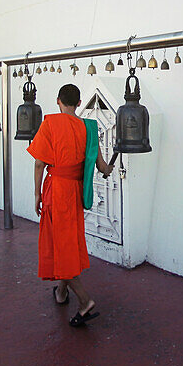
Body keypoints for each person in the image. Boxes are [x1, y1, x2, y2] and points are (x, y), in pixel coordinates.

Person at [27, 83, 113, 327]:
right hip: (75, 192)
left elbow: (39, 164)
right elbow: (102, 166)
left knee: (60, 243)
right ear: (78, 104)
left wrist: (36, 194)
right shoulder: (88, 128)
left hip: (57, 190)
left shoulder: (51, 123)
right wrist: (109, 169)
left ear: (58, 101)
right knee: (66, 241)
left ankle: (84, 301)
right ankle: (61, 293)